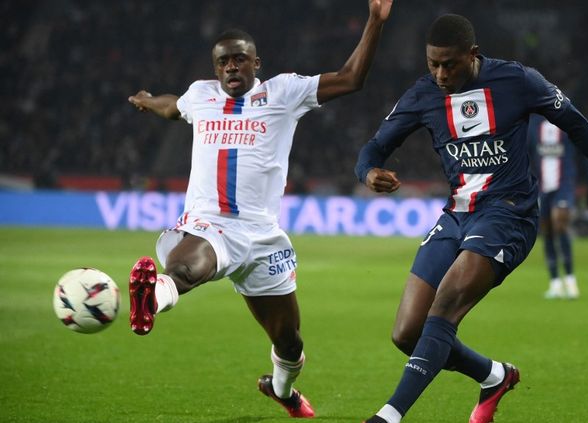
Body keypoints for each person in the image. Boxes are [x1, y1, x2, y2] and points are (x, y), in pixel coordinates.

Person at [355, 14, 588, 423]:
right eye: (432, 64)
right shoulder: (423, 95)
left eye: (449, 64)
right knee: (407, 333)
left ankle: (388, 415)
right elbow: (373, 148)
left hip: (509, 214)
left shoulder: (518, 81)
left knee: (445, 307)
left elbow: (578, 126)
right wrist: (368, 173)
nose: (439, 74)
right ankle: (494, 375)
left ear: (472, 55)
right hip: (456, 215)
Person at [126, 0, 392, 418]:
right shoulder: (201, 95)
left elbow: (350, 78)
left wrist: (375, 21)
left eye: (239, 59)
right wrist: (147, 100)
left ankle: (282, 391)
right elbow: (171, 106)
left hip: (263, 236)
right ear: (215, 69)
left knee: (289, 342)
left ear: (256, 63)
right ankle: (150, 300)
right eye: (223, 62)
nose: (231, 67)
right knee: (187, 270)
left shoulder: (284, 91)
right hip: (208, 224)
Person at [528, 114, 580, 299]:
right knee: (547, 231)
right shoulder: (533, 126)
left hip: (563, 184)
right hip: (543, 187)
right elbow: (528, 154)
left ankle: (570, 280)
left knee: (560, 224)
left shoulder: (566, 124)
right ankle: (555, 283)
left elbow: (582, 151)